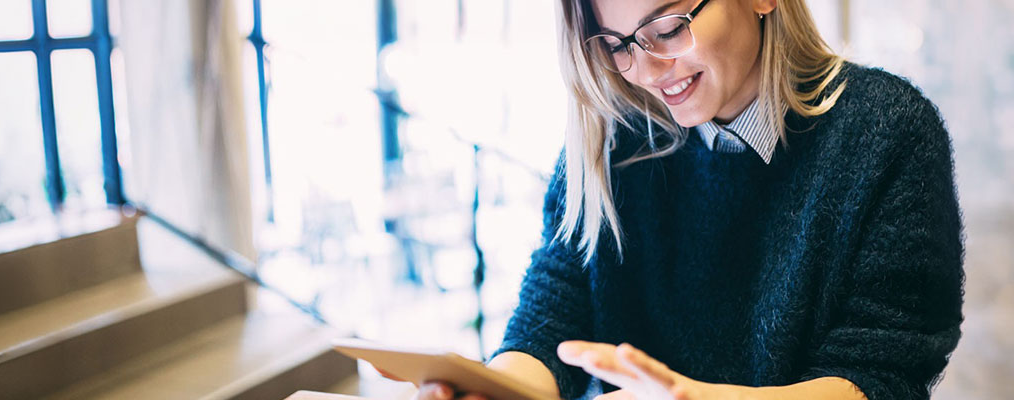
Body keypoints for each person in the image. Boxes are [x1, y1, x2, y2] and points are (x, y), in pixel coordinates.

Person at [407, 0, 965, 398]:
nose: (646, 71)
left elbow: (881, 375)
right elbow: (552, 320)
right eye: (618, 44)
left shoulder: (886, 131)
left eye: (669, 28)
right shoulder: (612, 140)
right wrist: (495, 388)